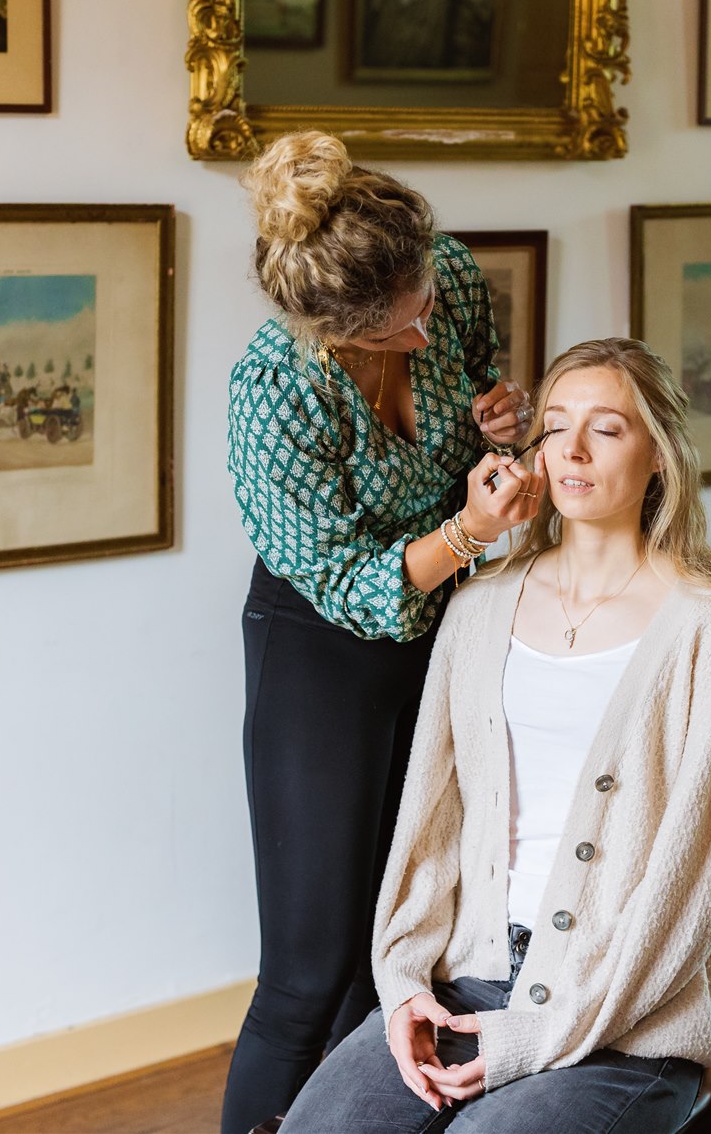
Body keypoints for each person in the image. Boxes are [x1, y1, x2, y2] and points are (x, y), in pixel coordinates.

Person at [280, 338, 711, 1133]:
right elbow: (430, 824)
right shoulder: (477, 609)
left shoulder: (707, 632)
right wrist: (404, 985)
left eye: (607, 429)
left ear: (660, 457)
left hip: (624, 1018)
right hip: (468, 981)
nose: (572, 449)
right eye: (557, 426)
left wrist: (538, 1032)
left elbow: (693, 885)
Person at [222, 130, 538, 1133]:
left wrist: (503, 418)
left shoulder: (437, 274)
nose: (427, 327)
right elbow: (352, 587)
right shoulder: (274, 387)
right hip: (321, 644)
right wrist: (466, 531)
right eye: (403, 328)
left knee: (399, 951)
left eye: (427, 303)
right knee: (307, 974)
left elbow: (486, 389)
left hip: (446, 628)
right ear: (341, 331)